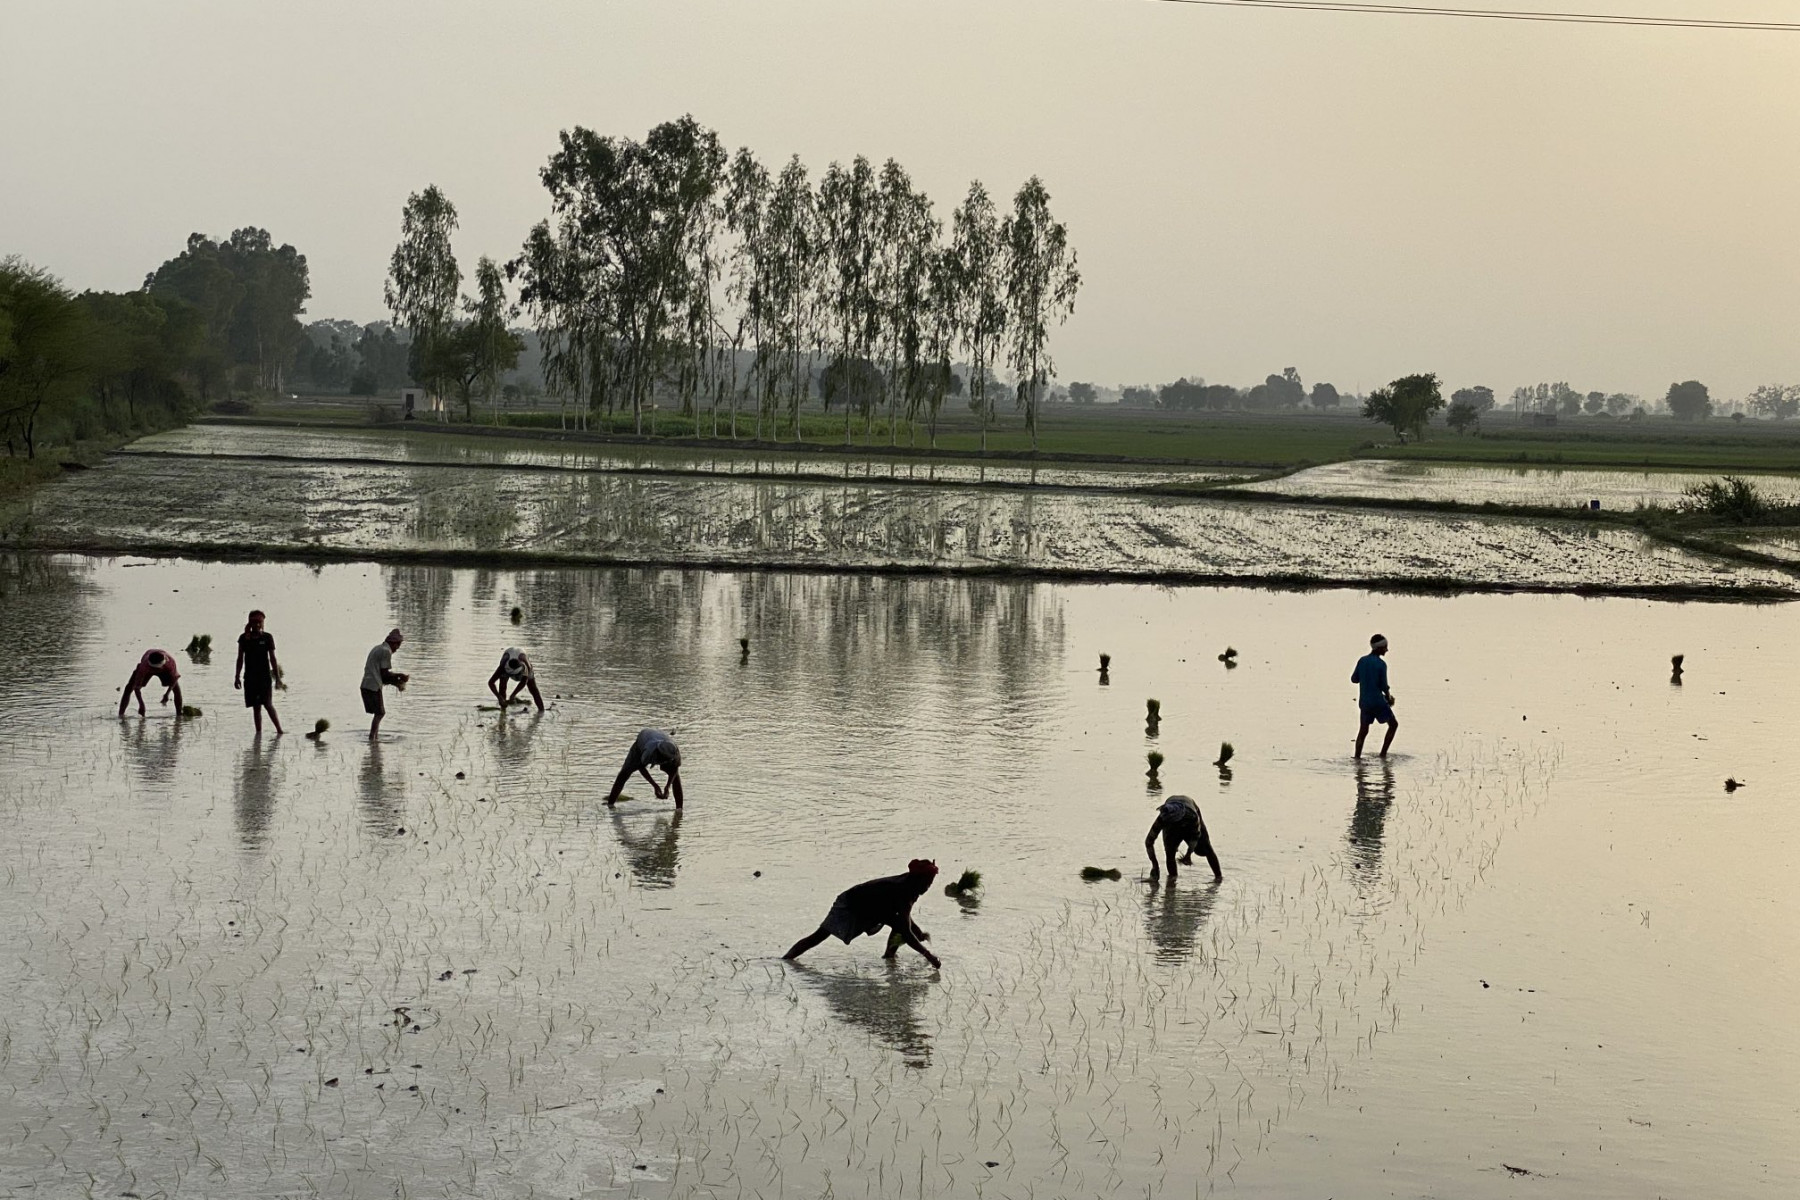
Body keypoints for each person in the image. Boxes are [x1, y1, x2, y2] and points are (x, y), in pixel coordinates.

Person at [784, 859, 942, 968]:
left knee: (899, 925)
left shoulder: (911, 888)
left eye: (930, 883)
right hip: (851, 904)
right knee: (820, 935)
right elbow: (906, 929)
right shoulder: (904, 890)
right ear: (917, 879)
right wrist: (927, 954)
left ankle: (889, 957)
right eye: (926, 882)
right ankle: (785, 960)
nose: (927, 887)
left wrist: (919, 934)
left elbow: (905, 920)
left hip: (877, 908)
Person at [1145, 794, 1222, 882]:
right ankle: (1172, 881)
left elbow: (1196, 836)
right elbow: (1148, 842)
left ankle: (1218, 877)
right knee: (1170, 852)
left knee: (1205, 848)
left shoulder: (1192, 817)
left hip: (1189, 813)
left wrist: (1188, 854)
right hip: (1172, 825)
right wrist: (1155, 865)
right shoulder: (1163, 818)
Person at [605, 728, 684, 808]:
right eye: (663, 760)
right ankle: (610, 805)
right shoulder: (648, 751)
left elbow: (674, 769)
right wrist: (655, 785)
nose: (664, 763)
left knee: (676, 778)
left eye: (667, 760)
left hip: (658, 737)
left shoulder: (674, 752)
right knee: (624, 774)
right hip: (641, 743)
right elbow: (640, 767)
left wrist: (667, 787)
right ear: (657, 755)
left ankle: (679, 809)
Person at [234, 610, 283, 735]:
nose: (256, 625)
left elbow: (272, 658)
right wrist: (237, 676)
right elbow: (240, 659)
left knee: (267, 704)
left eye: (259, 622)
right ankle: (258, 734)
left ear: (262, 623)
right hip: (250, 678)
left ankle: (279, 730)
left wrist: (277, 678)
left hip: (264, 677)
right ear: (250, 623)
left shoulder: (267, 638)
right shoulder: (244, 639)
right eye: (254, 622)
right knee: (256, 707)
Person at [1352, 633, 1399, 759]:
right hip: (1377, 701)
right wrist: (1389, 698)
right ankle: (1383, 754)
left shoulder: (1362, 661)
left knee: (1363, 731)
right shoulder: (1381, 664)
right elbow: (1384, 686)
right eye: (1385, 647)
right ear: (1379, 648)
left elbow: (1354, 679)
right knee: (1393, 725)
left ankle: (1357, 757)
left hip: (1364, 702)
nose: (1387, 650)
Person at [361, 628, 408, 741]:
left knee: (379, 713)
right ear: (393, 643)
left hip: (367, 685)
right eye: (397, 646)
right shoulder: (386, 651)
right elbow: (385, 675)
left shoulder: (378, 648)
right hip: (373, 686)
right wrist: (400, 676)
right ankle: (372, 738)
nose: (396, 649)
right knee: (380, 713)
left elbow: (383, 676)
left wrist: (397, 681)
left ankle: (373, 739)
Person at [119, 648, 182, 717]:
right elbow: (136, 687)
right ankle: (121, 714)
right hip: (147, 669)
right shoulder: (144, 667)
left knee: (176, 689)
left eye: (157, 668)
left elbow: (174, 679)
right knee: (129, 688)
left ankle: (179, 714)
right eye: (153, 668)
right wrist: (141, 704)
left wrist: (167, 694)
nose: (155, 670)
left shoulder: (170, 664)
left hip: (164, 670)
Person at [487, 646, 544, 712]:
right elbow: (491, 682)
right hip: (507, 662)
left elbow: (524, 682)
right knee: (502, 687)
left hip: (522, 666)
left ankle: (541, 711)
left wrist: (513, 694)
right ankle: (503, 711)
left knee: (533, 689)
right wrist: (499, 697)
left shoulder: (527, 667)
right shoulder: (502, 667)